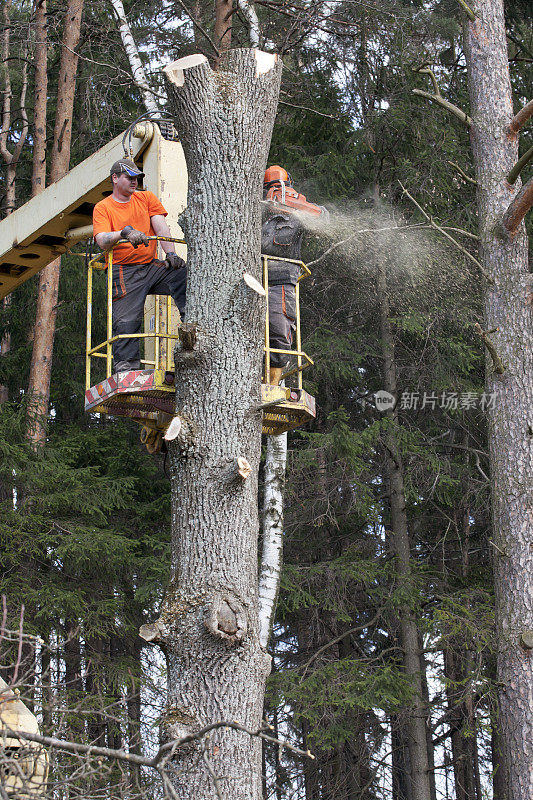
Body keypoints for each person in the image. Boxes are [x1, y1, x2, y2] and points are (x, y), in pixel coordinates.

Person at [92, 158, 186, 372]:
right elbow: (101, 240)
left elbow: (160, 226)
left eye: (137, 178)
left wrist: (171, 254)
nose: (134, 181)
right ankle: (126, 367)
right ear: (115, 178)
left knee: (183, 274)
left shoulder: (146, 198)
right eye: (129, 177)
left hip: (151, 266)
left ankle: (193, 326)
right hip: (123, 270)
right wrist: (124, 233)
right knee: (127, 319)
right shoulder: (103, 207)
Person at [262, 166, 327, 385]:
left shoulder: (297, 219)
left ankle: (274, 382)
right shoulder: (257, 218)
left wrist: (295, 205)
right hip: (253, 281)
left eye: (277, 188)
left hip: (280, 283)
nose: (274, 194)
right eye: (270, 189)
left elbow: (324, 218)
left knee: (278, 330)